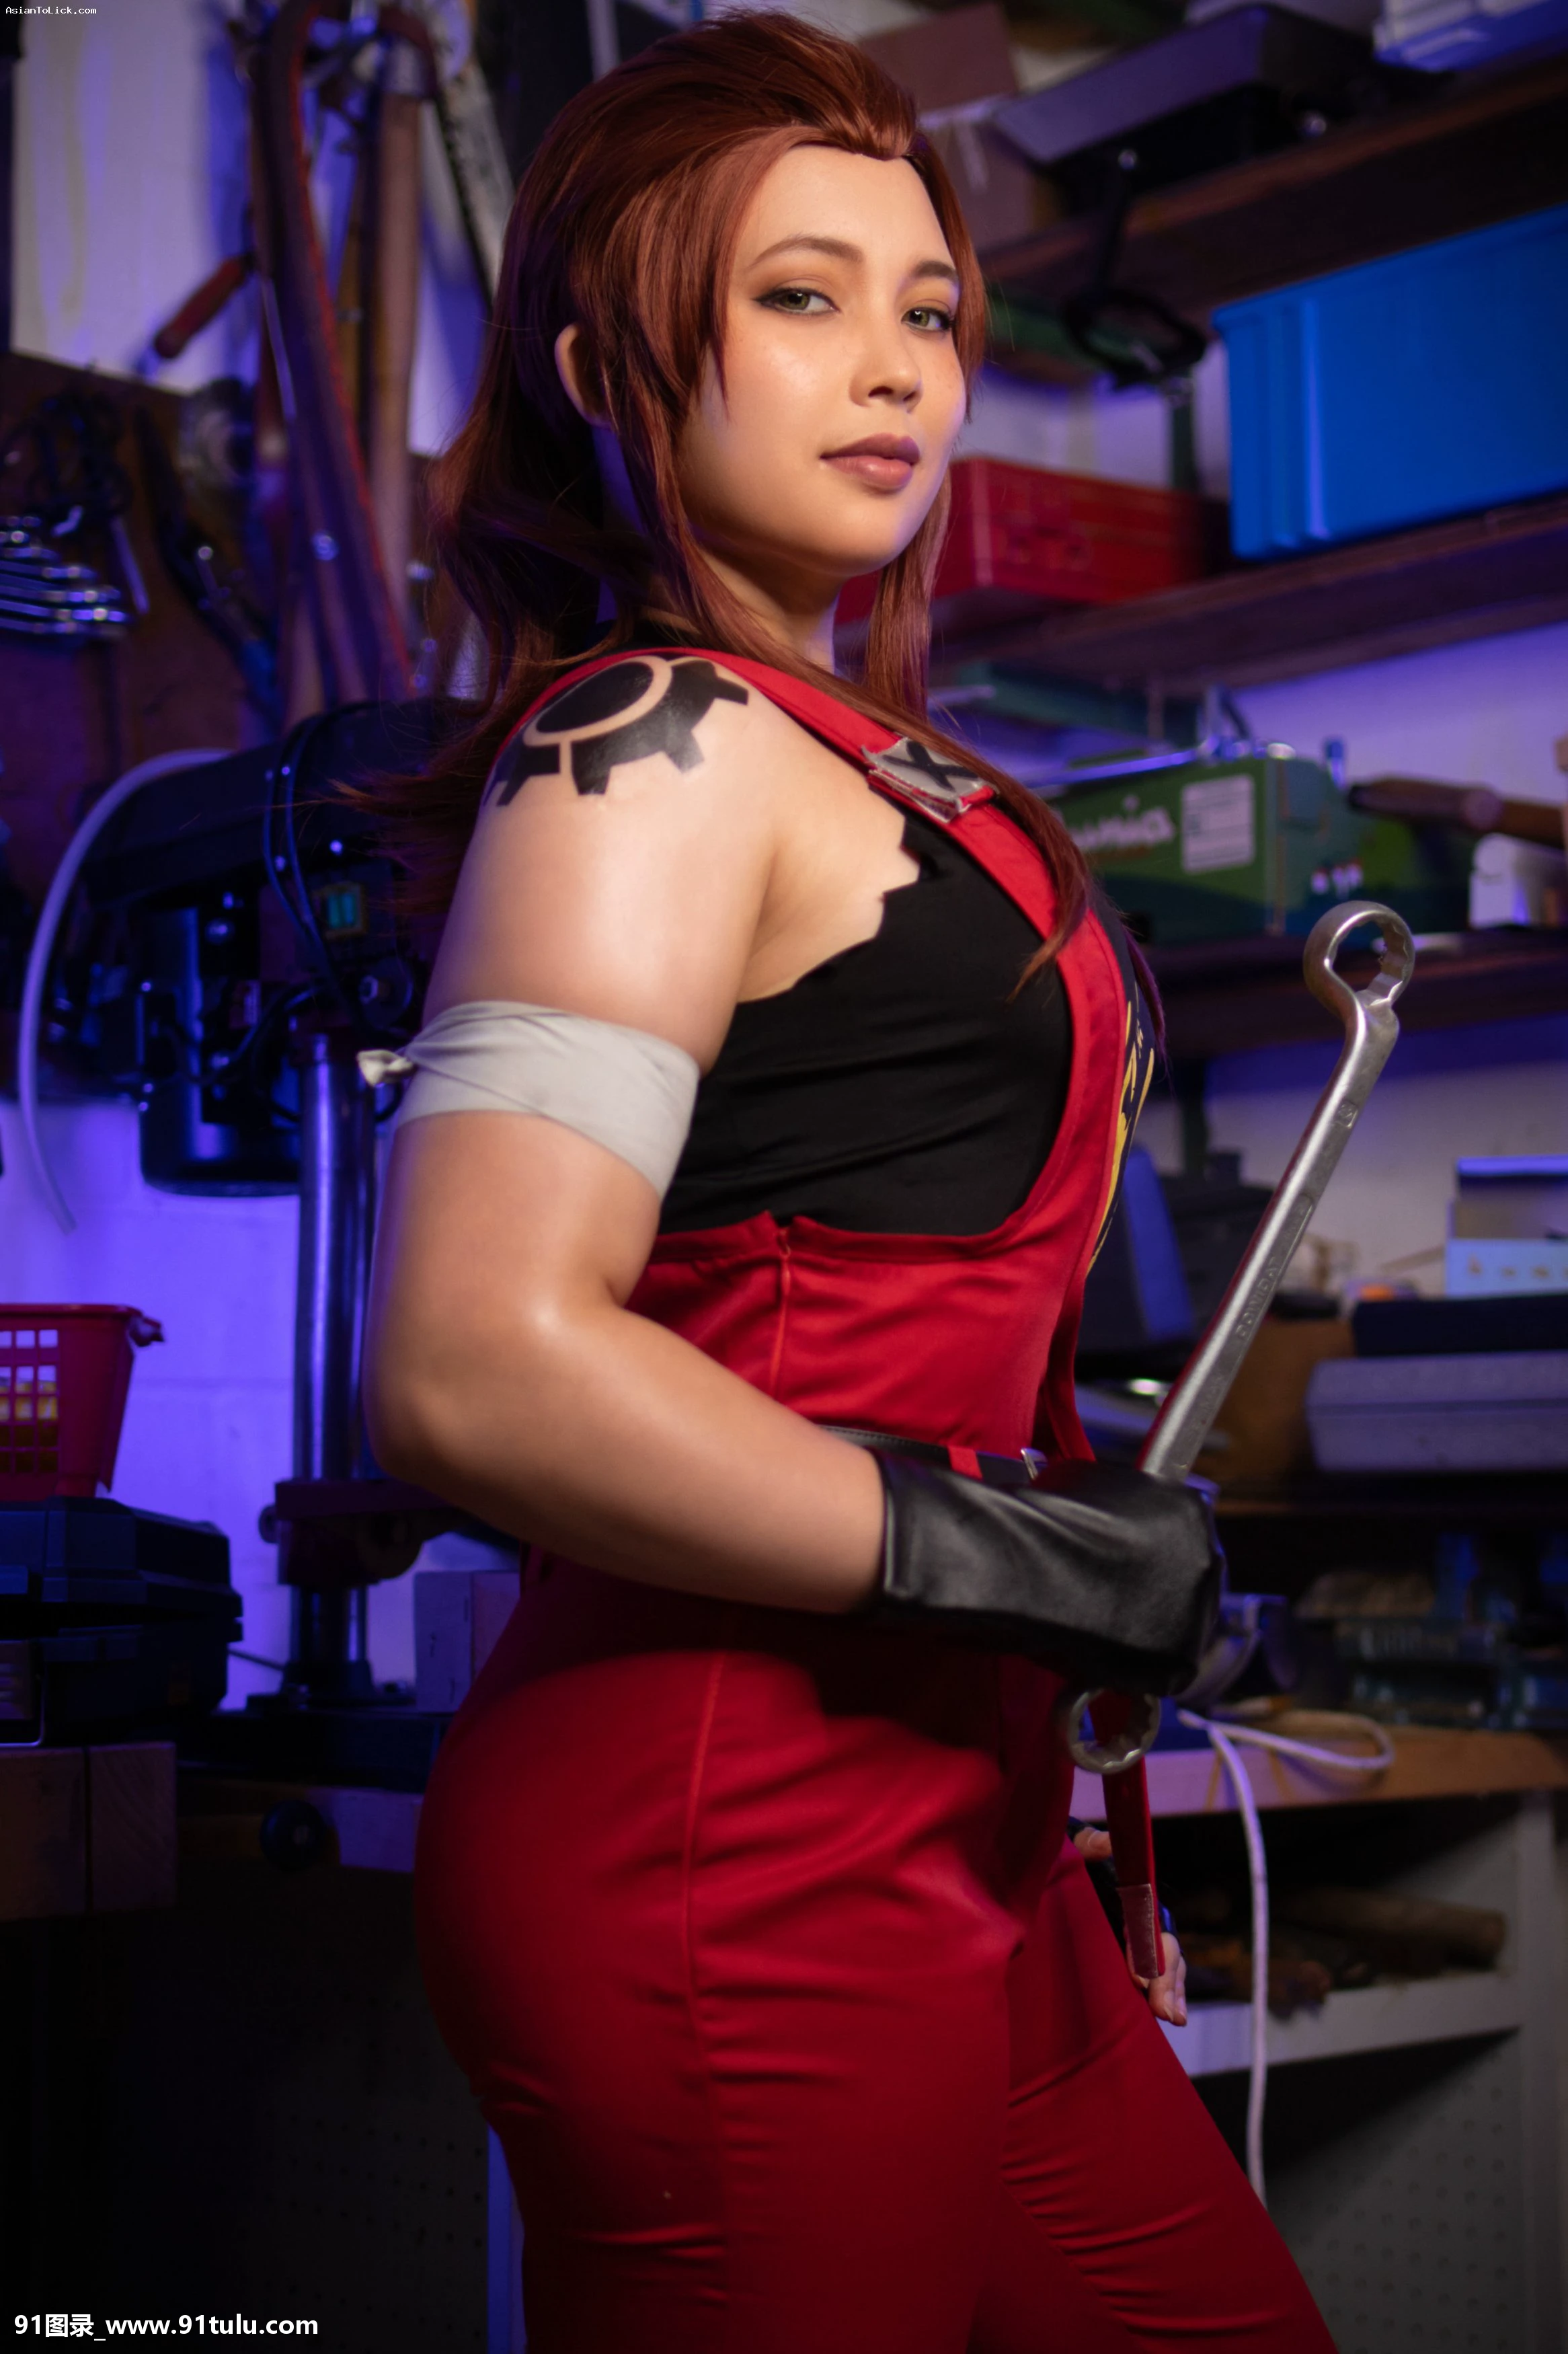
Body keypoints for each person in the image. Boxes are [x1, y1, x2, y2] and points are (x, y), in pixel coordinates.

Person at [362, 15, 1335, 2351]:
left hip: (955, 1830)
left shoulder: (866, 760)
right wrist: (1014, 1555)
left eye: (927, 310)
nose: (896, 365)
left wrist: (1037, 1643)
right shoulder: (649, 742)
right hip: (730, 1844)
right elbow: (474, 1362)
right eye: (799, 297)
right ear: (606, 364)